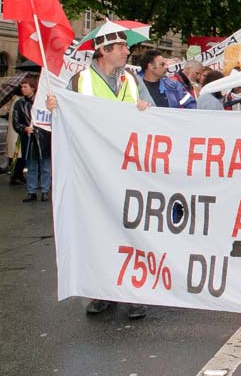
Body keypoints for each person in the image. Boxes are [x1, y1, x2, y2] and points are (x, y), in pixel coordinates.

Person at [47, 29, 152, 319]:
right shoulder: (80, 81)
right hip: (94, 171)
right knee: (98, 231)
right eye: (120, 46)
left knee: (133, 231)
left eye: (125, 46)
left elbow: (153, 118)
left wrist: (146, 108)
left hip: (130, 170)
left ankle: (134, 293)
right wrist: (56, 107)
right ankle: (101, 291)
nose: (126, 51)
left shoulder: (132, 80)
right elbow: (65, 118)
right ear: (103, 51)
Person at [13, 75, 52, 203]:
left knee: (45, 166)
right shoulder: (19, 104)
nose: (22, 89)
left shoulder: (43, 102)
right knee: (31, 166)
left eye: (25, 87)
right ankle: (31, 191)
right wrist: (24, 128)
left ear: (33, 88)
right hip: (29, 139)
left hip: (44, 138)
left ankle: (45, 190)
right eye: (22, 87)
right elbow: (16, 122)